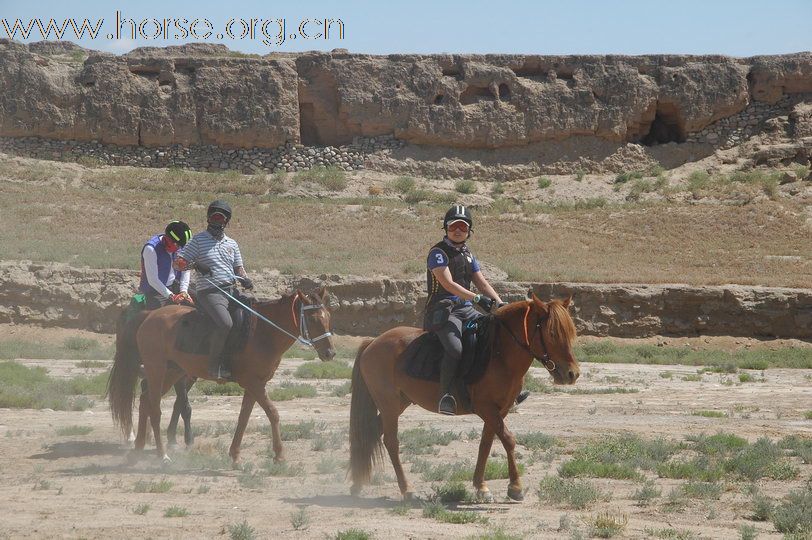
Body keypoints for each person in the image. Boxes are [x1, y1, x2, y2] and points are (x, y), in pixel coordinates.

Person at [425, 204, 506, 415]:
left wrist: (499, 303)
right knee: (455, 349)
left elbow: (482, 283)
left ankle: (501, 389)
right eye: (454, 227)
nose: (458, 230)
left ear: (469, 231)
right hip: (444, 310)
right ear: (446, 228)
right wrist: (477, 298)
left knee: (495, 336)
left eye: (463, 226)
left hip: (467, 309)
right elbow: (448, 284)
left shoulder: (469, 255)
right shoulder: (438, 253)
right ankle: (445, 395)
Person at [173, 200, 253, 380]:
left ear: (227, 222)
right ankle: (214, 364)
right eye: (214, 218)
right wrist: (195, 264)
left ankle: (238, 358)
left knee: (249, 317)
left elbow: (238, 268)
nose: (217, 221)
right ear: (208, 219)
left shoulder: (232, 244)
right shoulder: (198, 240)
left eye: (221, 219)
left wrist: (246, 279)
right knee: (225, 323)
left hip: (231, 290)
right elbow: (177, 263)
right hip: (209, 292)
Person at [139, 220, 193, 310]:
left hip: (175, 286)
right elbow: (153, 280)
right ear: (168, 239)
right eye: (177, 245)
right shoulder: (151, 249)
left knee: (200, 302)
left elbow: (185, 269)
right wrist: (171, 296)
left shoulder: (181, 246)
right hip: (154, 291)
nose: (179, 249)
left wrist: (183, 291)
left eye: (181, 246)